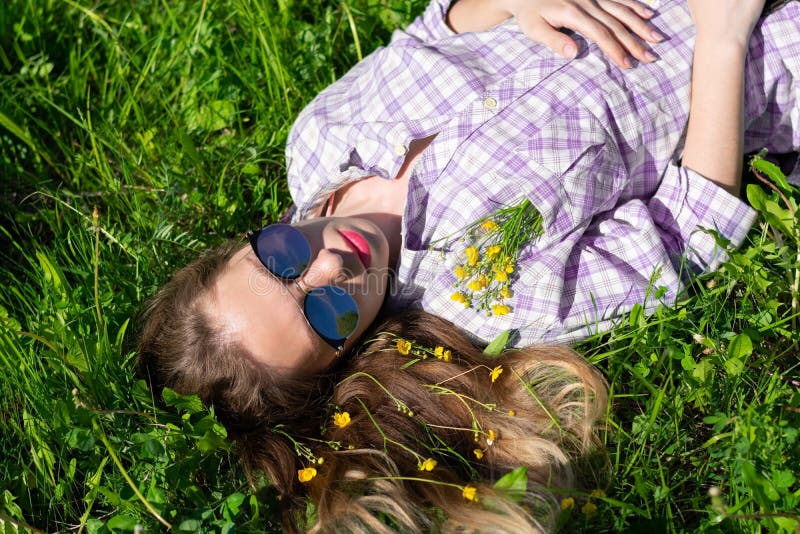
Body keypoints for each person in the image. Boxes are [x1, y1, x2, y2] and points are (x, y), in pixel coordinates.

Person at [137, 0, 798, 531]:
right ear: (348, 353)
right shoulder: (487, 300)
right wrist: (722, 35)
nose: (333, 263)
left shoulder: (319, 136)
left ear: (246, 241)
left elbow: (433, 35)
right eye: (326, 314)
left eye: (281, 261)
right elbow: (687, 230)